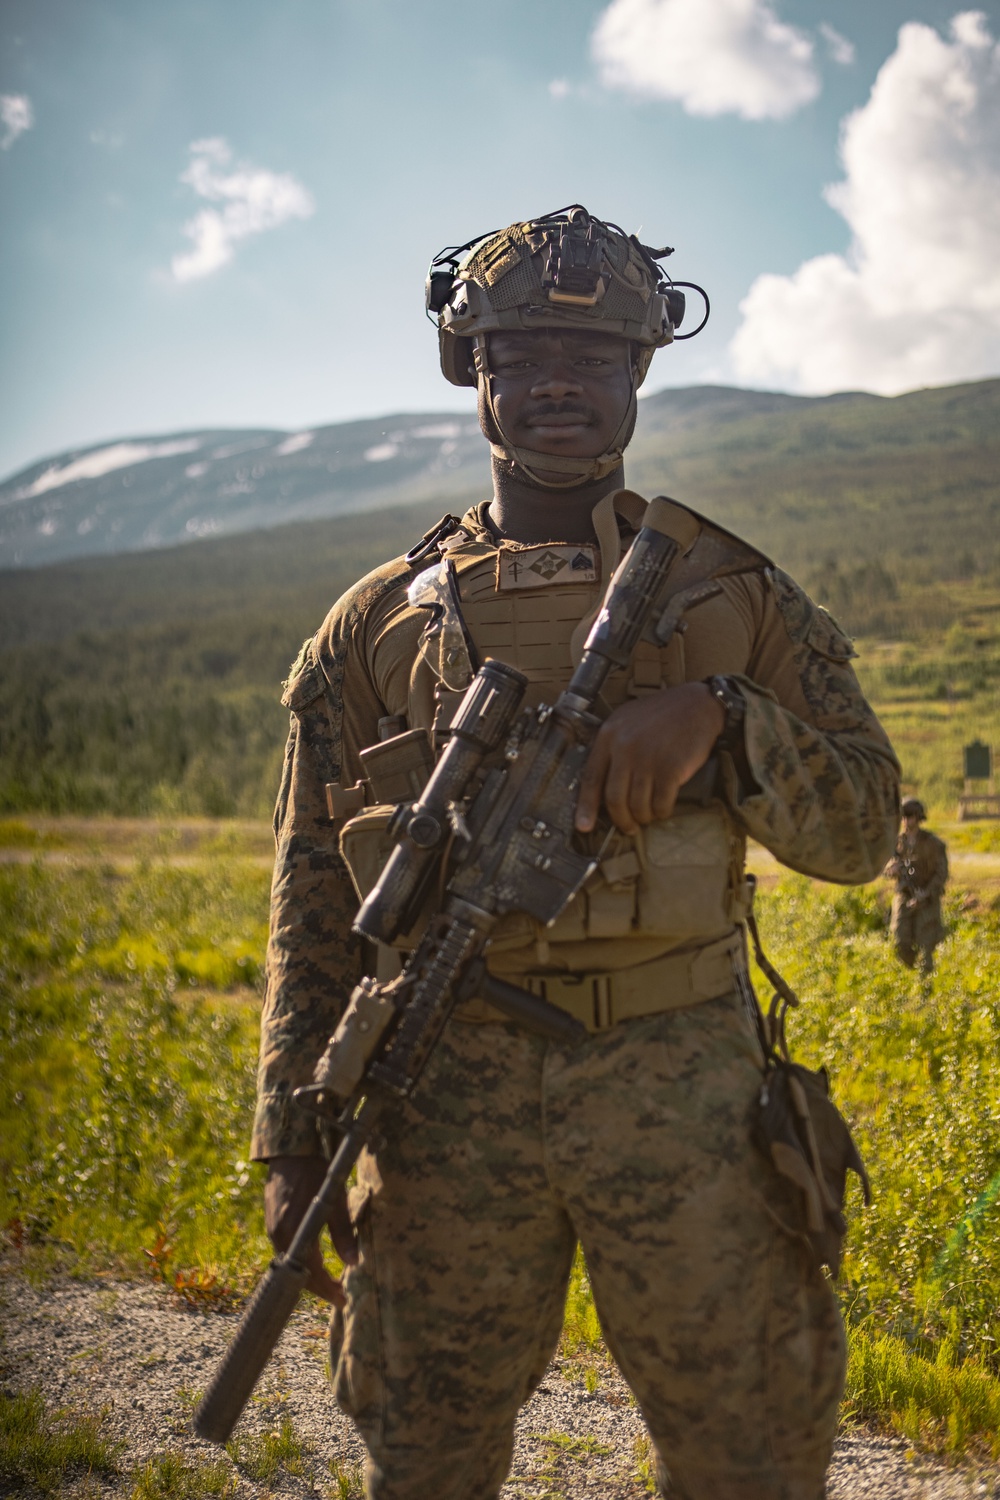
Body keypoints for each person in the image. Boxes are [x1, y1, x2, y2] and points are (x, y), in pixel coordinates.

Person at [252, 207, 900, 1500]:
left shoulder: (738, 599)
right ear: (473, 371)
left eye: (594, 356)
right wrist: (287, 1128)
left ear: (639, 376)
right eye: (522, 351)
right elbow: (314, 896)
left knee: (750, 1454)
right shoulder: (374, 629)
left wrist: (725, 722)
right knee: (424, 1457)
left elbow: (866, 826)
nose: (558, 381)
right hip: (444, 1099)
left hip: (687, 1093)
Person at [885, 797, 948, 974]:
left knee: (926, 947)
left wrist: (926, 894)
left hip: (927, 899)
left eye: (910, 816)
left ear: (918, 817)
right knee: (899, 943)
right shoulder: (897, 843)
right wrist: (891, 869)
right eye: (903, 816)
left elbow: (941, 874)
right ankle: (911, 980)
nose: (905, 821)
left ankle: (925, 989)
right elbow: (884, 867)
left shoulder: (932, 844)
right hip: (904, 897)